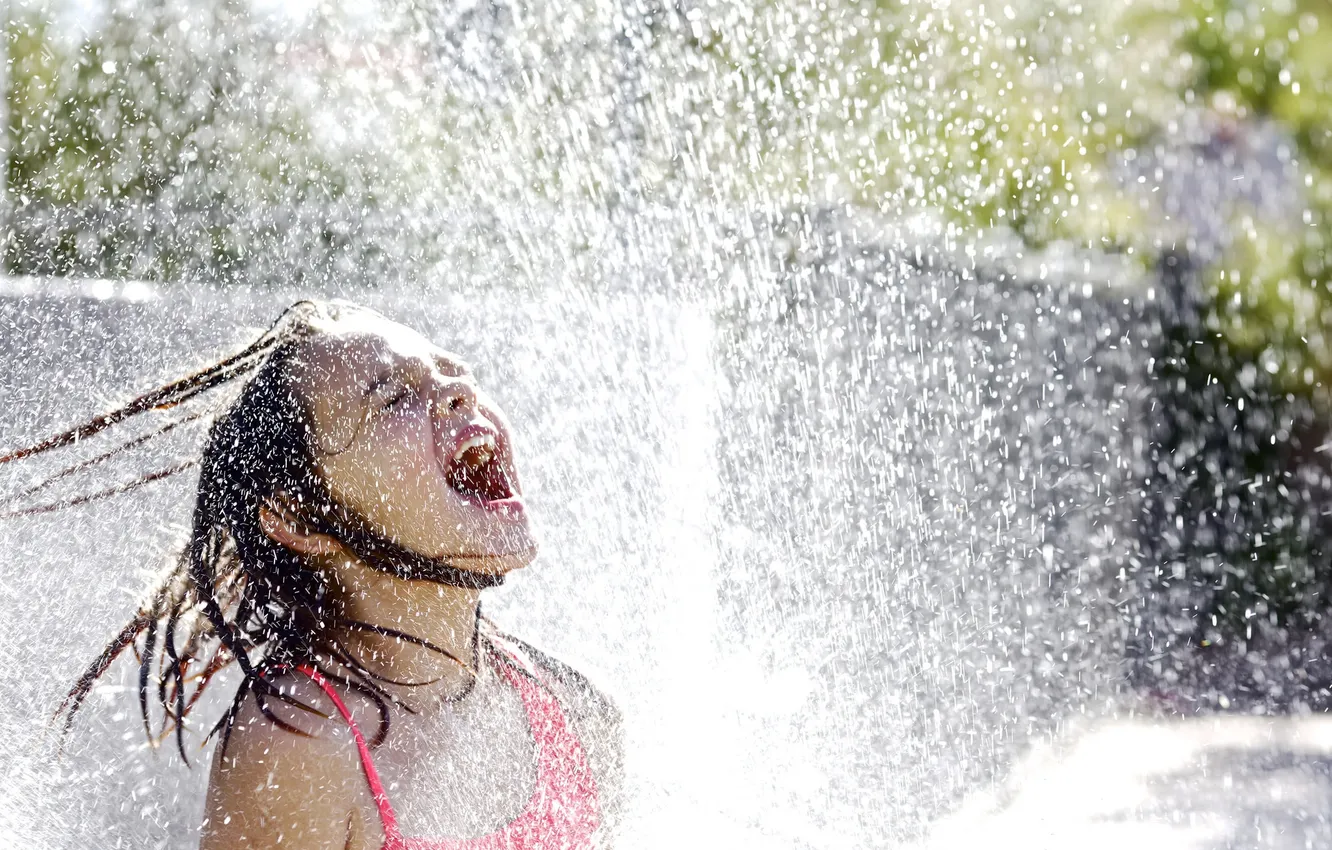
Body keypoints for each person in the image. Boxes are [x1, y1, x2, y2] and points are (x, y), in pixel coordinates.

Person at [0, 300, 622, 849]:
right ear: (298, 515)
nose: (459, 393)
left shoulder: (579, 715)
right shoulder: (303, 741)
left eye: (456, 372)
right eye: (394, 397)